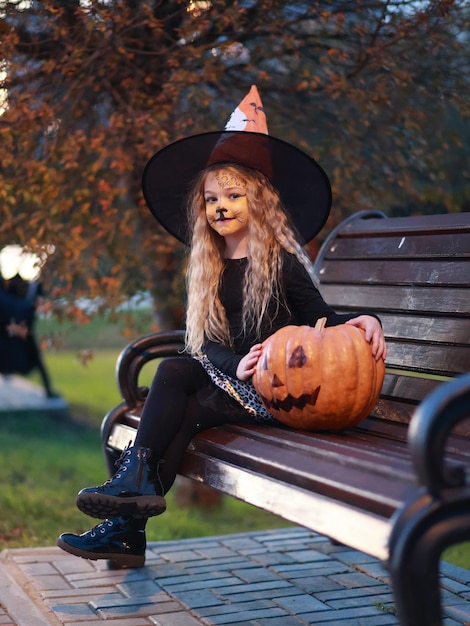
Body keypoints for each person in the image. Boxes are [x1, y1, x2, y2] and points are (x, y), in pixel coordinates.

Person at [57, 86, 386, 568]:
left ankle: (130, 500)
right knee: (178, 391)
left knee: (175, 383)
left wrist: (365, 321)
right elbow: (209, 343)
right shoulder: (209, 264)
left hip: (278, 392)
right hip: (237, 379)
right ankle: (130, 512)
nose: (221, 207)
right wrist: (239, 363)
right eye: (212, 199)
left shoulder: (281, 264)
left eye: (233, 195)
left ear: (260, 201)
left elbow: (323, 319)